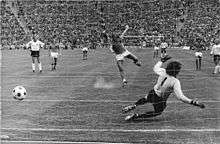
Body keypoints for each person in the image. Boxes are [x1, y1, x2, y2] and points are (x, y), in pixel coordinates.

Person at [122, 55, 205, 121]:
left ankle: (134, 105)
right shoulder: (175, 81)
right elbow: (180, 97)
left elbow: (155, 68)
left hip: (153, 92)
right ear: (176, 71)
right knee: (157, 112)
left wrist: (161, 60)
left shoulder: (163, 71)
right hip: (160, 99)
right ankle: (136, 116)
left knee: (146, 98)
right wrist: (193, 102)